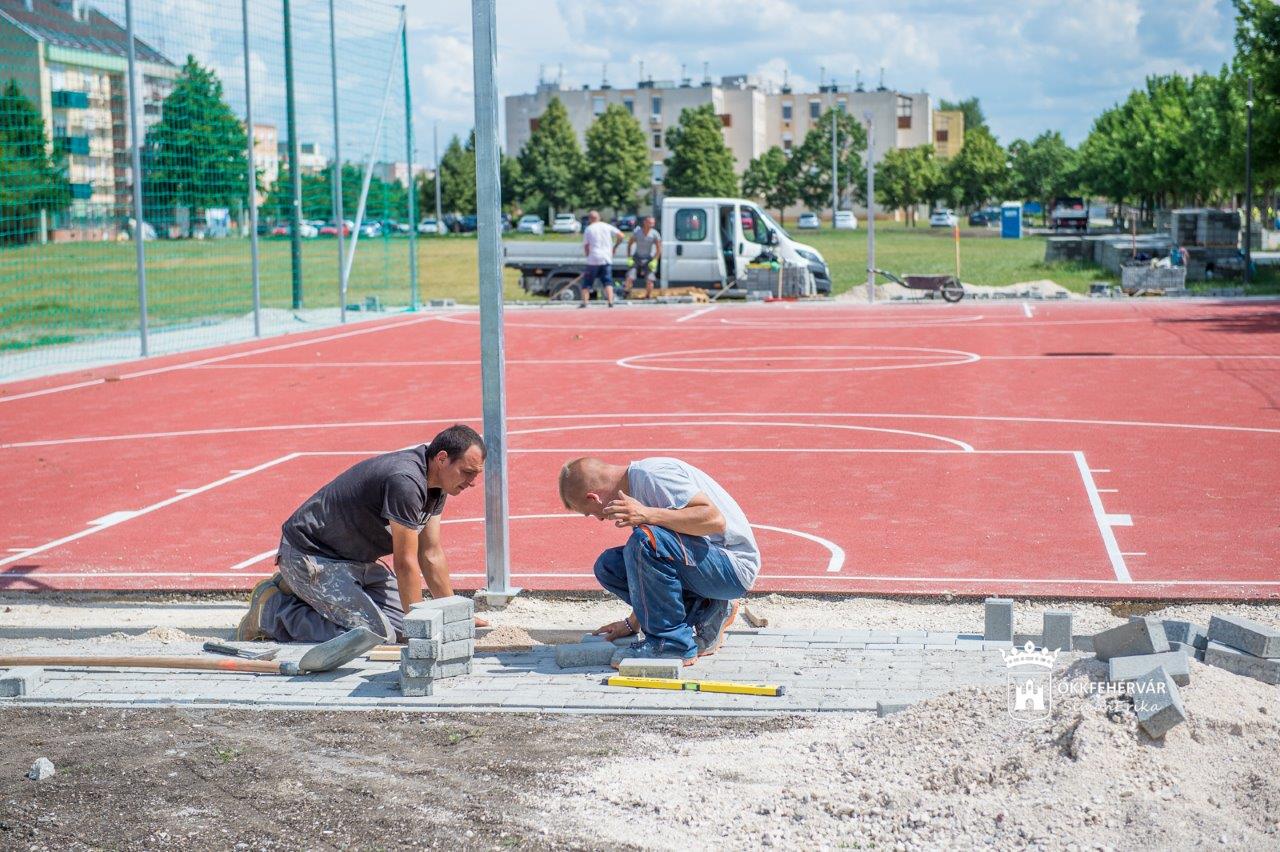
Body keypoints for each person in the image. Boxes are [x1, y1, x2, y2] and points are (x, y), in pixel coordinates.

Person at [236, 424, 486, 644]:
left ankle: (298, 590)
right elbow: (405, 563)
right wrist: (416, 628)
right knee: (375, 636)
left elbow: (430, 554)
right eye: (467, 472)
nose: (472, 482)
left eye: (476, 474)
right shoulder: (406, 482)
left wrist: (453, 614)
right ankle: (272, 613)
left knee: (405, 628)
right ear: (442, 459)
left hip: (354, 562)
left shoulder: (438, 486)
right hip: (311, 556)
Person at [558, 456, 760, 666]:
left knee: (645, 541)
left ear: (593, 498)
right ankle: (707, 608)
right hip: (706, 565)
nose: (600, 519)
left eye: (591, 513)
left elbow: (714, 520)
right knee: (610, 566)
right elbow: (649, 573)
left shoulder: (653, 476)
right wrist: (632, 624)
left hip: (733, 568)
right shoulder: (634, 490)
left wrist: (647, 514)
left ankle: (671, 645)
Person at [578, 210, 623, 308]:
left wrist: (587, 255)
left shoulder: (589, 229)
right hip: (606, 257)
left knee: (587, 282)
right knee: (607, 281)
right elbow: (621, 235)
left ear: (590, 219)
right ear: (599, 217)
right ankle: (610, 301)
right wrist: (615, 247)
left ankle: (585, 302)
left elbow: (586, 245)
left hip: (593, 258)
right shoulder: (607, 226)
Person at [624, 215, 662, 299]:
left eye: (653, 223)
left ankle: (648, 296)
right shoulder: (638, 232)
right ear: (645, 223)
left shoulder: (655, 234)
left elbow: (659, 248)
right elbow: (629, 244)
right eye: (650, 223)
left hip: (648, 258)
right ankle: (626, 292)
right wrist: (629, 257)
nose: (652, 224)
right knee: (630, 277)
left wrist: (655, 260)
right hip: (637, 257)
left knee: (650, 279)